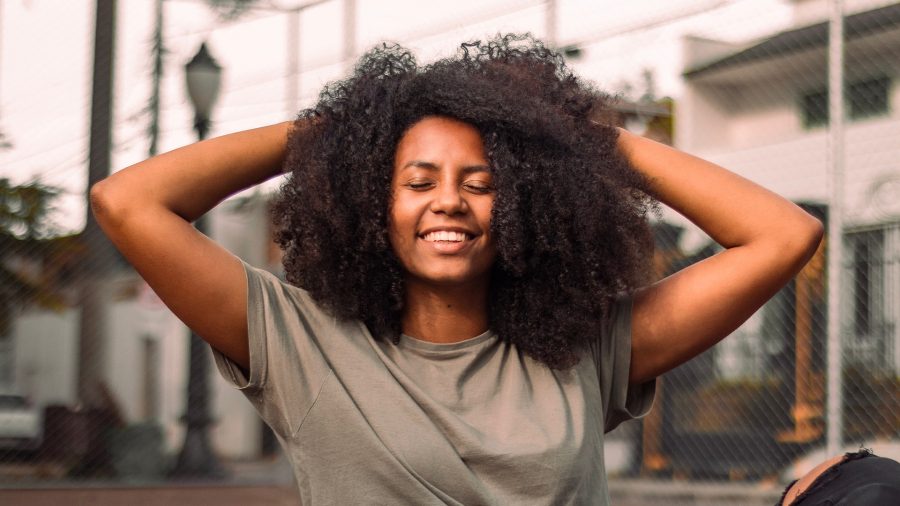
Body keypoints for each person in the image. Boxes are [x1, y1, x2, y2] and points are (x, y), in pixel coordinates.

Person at [90, 35, 823, 504]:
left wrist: (590, 144)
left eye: (482, 183)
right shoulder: (298, 341)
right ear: (369, 202)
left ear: (529, 205)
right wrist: (336, 132)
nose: (450, 203)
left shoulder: (588, 348)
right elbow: (128, 202)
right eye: (417, 182)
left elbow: (783, 235)